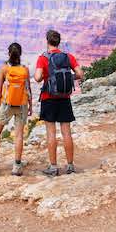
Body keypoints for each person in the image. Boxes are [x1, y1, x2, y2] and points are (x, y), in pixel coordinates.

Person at [34, 29, 84, 176]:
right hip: (64, 99)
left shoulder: (43, 58)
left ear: (47, 41)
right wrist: (68, 78)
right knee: (66, 132)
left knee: (51, 133)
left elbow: (37, 78)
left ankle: (53, 167)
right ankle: (70, 166)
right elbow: (80, 74)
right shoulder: (68, 57)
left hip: (48, 98)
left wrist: (46, 76)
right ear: (59, 42)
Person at [0, 42, 32, 176]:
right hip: (22, 105)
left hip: (6, 104)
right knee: (18, 135)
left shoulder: (4, 68)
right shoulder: (25, 69)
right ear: (20, 54)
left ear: (8, 54)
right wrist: (30, 105)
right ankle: (17, 166)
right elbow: (28, 88)